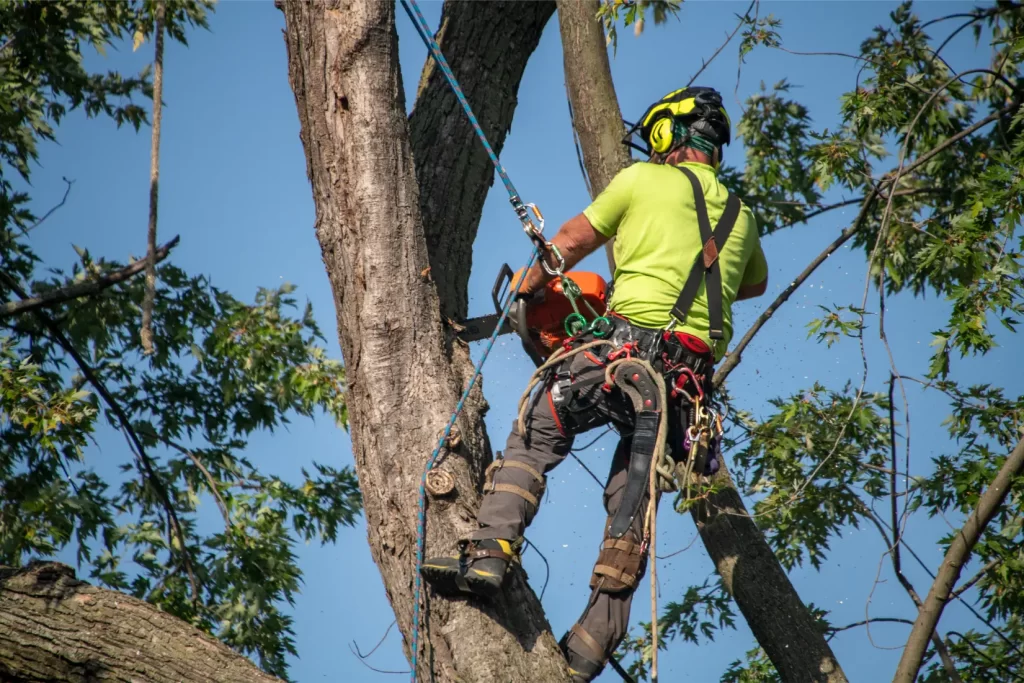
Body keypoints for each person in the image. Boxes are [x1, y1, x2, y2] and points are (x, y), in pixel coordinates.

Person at [421, 86, 769, 682]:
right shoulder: (743, 216)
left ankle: (489, 551)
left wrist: (527, 290)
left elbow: (572, 241)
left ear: (667, 134)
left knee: (537, 427)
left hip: (622, 352)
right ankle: (590, 646)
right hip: (683, 393)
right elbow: (752, 285)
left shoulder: (641, 180)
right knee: (632, 501)